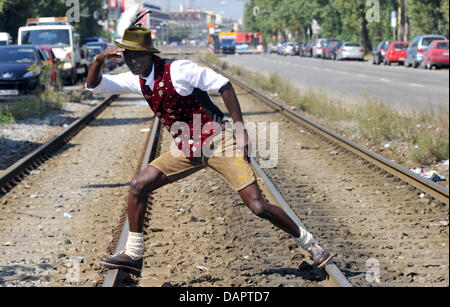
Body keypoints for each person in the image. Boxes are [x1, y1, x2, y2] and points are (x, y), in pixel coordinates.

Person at [86, 24, 332, 276]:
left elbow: (224, 85)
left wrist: (240, 129)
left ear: (151, 54)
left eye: (138, 55)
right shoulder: (137, 80)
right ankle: (133, 254)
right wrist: (98, 60)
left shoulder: (179, 70)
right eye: (128, 55)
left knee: (258, 206)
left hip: (217, 141)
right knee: (139, 184)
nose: (132, 60)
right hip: (186, 148)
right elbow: (95, 85)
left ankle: (311, 245)